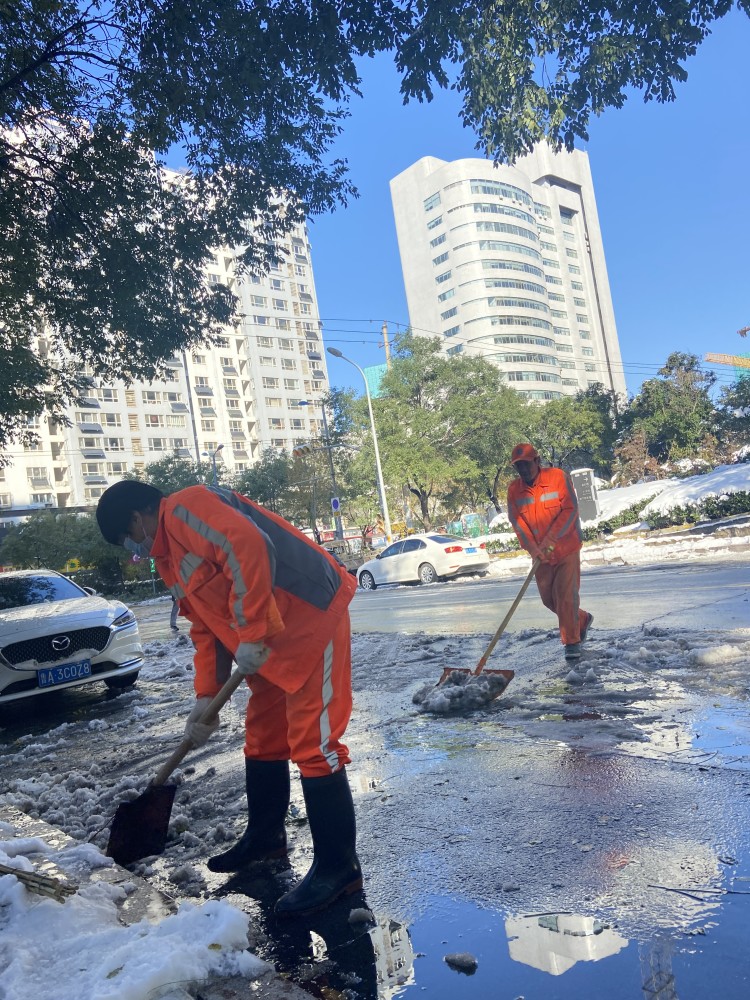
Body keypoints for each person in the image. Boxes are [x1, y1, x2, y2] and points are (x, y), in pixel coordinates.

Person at [96, 479, 361, 916]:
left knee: (314, 744)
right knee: (262, 737)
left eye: (127, 537)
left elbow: (248, 546)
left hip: (312, 616)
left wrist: (253, 631)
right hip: (267, 645)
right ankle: (265, 837)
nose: (132, 546)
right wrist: (205, 697)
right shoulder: (168, 558)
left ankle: (339, 869)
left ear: (136, 518)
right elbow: (205, 627)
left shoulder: (185, 508)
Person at [506, 443, 593, 661]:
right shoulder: (514, 491)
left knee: (565, 597)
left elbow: (571, 509)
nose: (523, 470)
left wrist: (551, 540)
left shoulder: (557, 478)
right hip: (540, 556)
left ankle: (572, 644)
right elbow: (518, 524)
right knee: (549, 599)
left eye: (526, 464)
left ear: (537, 461)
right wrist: (535, 549)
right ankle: (580, 619)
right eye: (518, 467)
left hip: (566, 549)